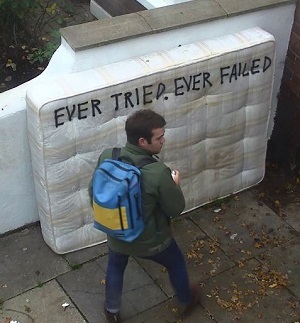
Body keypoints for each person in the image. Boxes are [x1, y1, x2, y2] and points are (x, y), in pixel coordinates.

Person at [91, 109, 200, 322]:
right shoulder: (158, 173)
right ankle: (187, 300)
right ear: (143, 141)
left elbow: (92, 191)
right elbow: (174, 209)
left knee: (115, 266)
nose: (163, 141)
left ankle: (111, 312)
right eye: (159, 137)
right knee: (175, 262)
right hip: (150, 240)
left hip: (116, 232)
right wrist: (174, 185)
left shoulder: (107, 156)